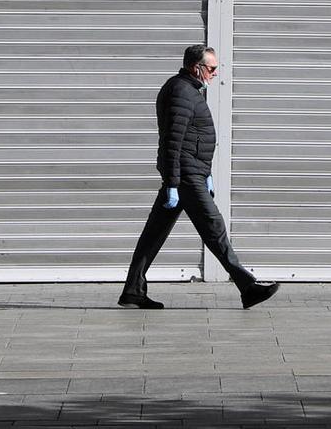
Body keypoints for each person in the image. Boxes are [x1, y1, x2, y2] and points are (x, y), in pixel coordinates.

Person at [118, 45, 280, 310]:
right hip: (185, 177)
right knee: (214, 228)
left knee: (153, 234)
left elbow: (192, 137)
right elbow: (173, 140)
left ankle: (133, 291)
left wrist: (206, 174)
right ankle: (248, 288)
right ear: (197, 67)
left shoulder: (189, 90)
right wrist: (173, 183)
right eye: (212, 68)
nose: (216, 73)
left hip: (190, 173)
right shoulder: (182, 92)